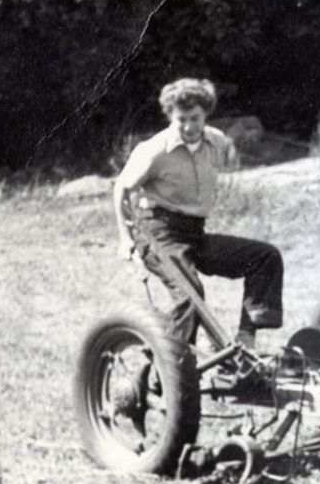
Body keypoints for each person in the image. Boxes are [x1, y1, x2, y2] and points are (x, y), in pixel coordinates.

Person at [114, 78, 283, 350]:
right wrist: (126, 238)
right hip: (157, 232)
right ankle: (172, 374)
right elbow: (121, 188)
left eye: (195, 118)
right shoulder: (155, 150)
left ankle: (245, 342)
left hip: (193, 233)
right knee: (190, 296)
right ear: (170, 116)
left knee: (265, 257)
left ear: (206, 114)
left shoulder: (216, 142)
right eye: (181, 119)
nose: (189, 127)